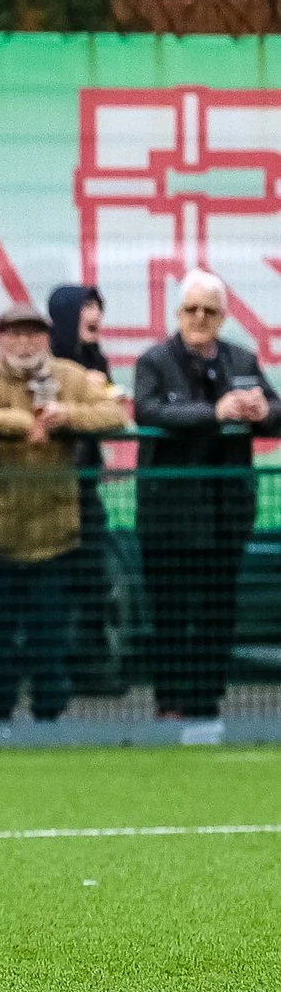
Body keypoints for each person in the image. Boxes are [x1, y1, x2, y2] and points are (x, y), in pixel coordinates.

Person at [0, 303, 126, 723]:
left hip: (53, 534)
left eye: (33, 334)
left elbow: (115, 413)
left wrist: (68, 416)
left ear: (46, 338)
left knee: (49, 637)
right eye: (15, 334)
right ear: (0, 338)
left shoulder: (68, 375)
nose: (24, 342)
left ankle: (50, 720)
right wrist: (19, 422)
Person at [131, 270, 278, 721]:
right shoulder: (154, 360)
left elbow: (277, 412)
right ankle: (170, 700)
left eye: (209, 311)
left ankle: (206, 698)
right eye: (191, 309)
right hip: (169, 514)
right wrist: (214, 412)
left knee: (218, 610)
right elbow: (148, 409)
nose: (199, 318)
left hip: (225, 511)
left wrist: (260, 411)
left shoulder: (241, 360)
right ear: (178, 313)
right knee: (171, 611)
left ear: (223, 316)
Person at [47, 285, 121, 689]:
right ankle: (53, 671)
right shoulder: (44, 365)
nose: (94, 314)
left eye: (97, 305)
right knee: (53, 580)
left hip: (85, 488)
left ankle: (92, 666)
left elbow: (112, 417)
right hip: (47, 491)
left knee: (94, 575)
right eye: (86, 306)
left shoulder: (97, 360)